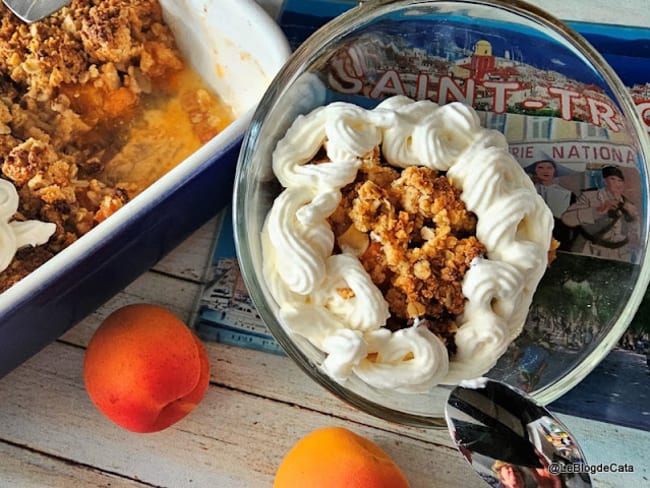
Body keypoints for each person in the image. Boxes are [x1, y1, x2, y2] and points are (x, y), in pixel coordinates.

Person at [561, 165, 640, 262]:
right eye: (613, 179)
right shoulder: (590, 196)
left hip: (620, 254)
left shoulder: (629, 204)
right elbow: (567, 219)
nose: (617, 184)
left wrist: (631, 217)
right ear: (604, 181)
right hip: (591, 250)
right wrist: (597, 211)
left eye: (620, 181)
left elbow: (636, 232)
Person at [529, 159, 575, 250]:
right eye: (541, 168)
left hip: (558, 238)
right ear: (535, 171)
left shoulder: (566, 194)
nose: (545, 171)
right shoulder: (527, 191)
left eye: (549, 168)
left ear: (554, 171)